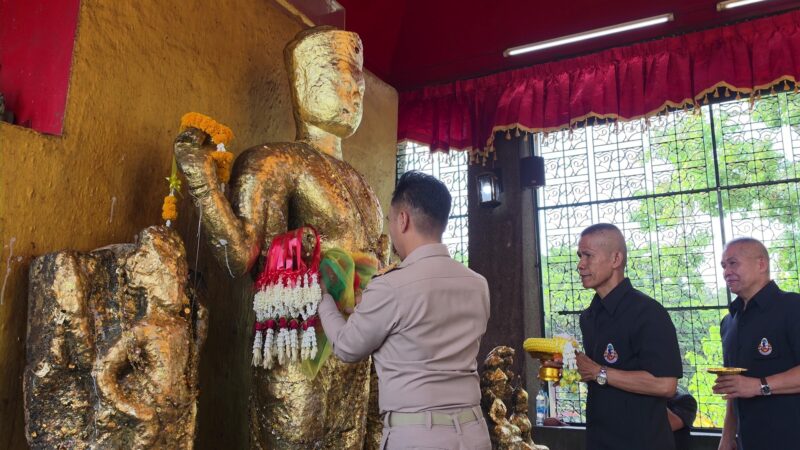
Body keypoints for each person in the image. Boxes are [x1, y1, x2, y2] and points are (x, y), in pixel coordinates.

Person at [174, 27, 388, 448]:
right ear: (304, 83)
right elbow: (242, 255)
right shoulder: (274, 161)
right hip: (300, 342)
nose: (354, 92)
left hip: (358, 345)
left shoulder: (364, 185)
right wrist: (203, 185)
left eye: (359, 82)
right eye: (342, 79)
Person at [318, 171, 492, 450]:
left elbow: (347, 347)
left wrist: (324, 299)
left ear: (403, 220)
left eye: (390, 221)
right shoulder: (478, 284)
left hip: (419, 435)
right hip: (474, 432)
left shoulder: (391, 286)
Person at [574, 223, 683, 450]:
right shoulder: (589, 316)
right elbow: (598, 377)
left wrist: (599, 372)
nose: (580, 265)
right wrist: (572, 368)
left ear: (616, 259)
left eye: (588, 256)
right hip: (599, 440)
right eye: (579, 256)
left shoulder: (648, 312)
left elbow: (665, 385)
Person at [714, 237, 800, 450]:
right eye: (724, 266)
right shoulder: (729, 321)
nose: (726, 272)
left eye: (733, 263)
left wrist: (757, 385)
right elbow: (734, 387)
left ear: (761, 264)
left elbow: (747, 386)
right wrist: (726, 437)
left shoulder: (792, 307)